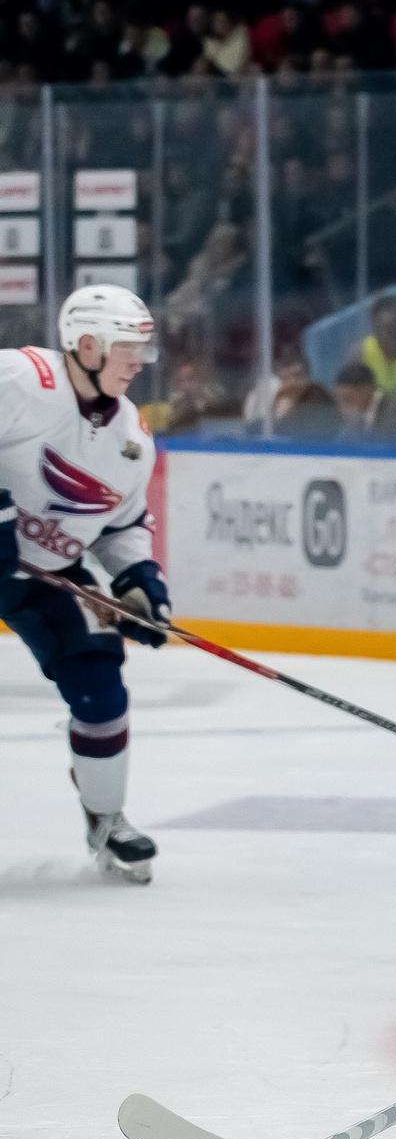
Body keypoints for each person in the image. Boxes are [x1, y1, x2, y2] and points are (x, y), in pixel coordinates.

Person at [0, 284, 169, 880]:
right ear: (87, 344)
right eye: (128, 349)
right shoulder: (21, 380)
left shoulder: (131, 440)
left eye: (144, 351)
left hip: (39, 572)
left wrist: (139, 578)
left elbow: (121, 525)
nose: (139, 364)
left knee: (100, 681)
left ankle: (106, 819)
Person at [358, 293, 396, 413]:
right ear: (375, 322)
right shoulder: (361, 351)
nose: (393, 331)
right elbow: (350, 398)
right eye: (387, 328)